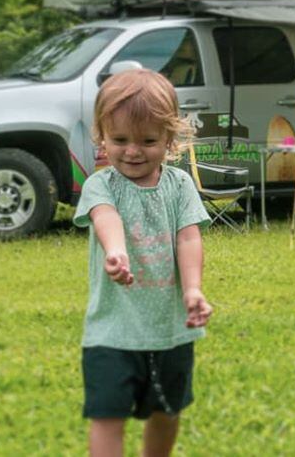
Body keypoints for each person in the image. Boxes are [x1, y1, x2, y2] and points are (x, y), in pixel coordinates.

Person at [73, 68, 212, 457]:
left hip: (171, 330)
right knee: (106, 416)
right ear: (102, 134)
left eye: (148, 141)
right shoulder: (101, 184)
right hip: (112, 331)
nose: (132, 151)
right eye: (120, 140)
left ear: (170, 138)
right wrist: (116, 251)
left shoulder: (179, 186)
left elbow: (188, 238)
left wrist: (193, 289)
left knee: (167, 412)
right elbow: (106, 217)